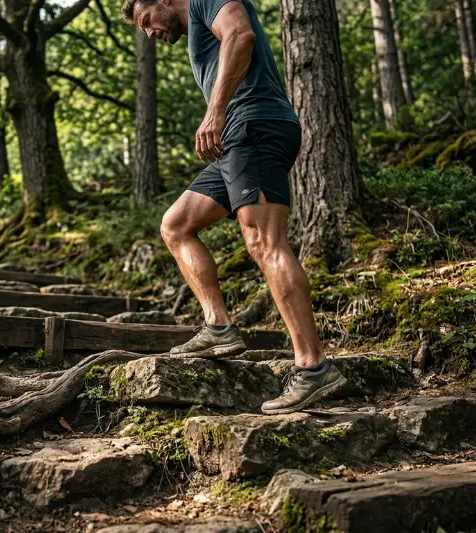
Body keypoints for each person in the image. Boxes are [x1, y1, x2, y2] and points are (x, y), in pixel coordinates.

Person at [121, 0, 347, 414]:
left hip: (253, 125)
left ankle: (314, 368)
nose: (150, 35)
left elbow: (240, 35)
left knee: (264, 242)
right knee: (176, 225)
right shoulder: (193, 26)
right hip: (235, 138)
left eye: (147, 22)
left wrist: (216, 110)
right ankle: (219, 327)